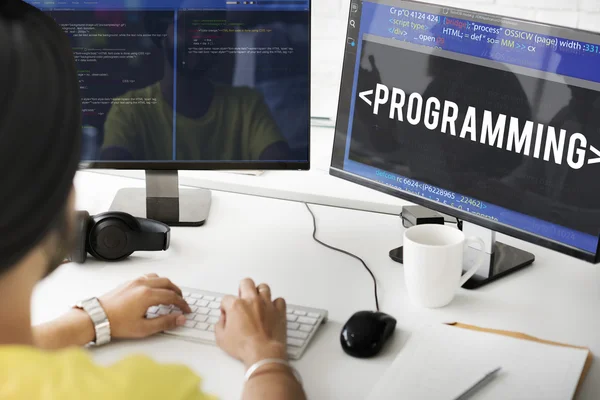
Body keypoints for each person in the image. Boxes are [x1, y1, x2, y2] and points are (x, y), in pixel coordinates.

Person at [0, 1, 305, 399]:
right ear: (59, 198)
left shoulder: (244, 104)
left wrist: (94, 318)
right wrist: (266, 356)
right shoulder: (144, 389)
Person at [101, 7, 291, 162]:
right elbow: (113, 175)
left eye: (210, 26)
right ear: (160, 32)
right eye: (188, 24)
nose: (201, 36)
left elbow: (281, 169)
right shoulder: (129, 110)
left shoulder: (247, 105)